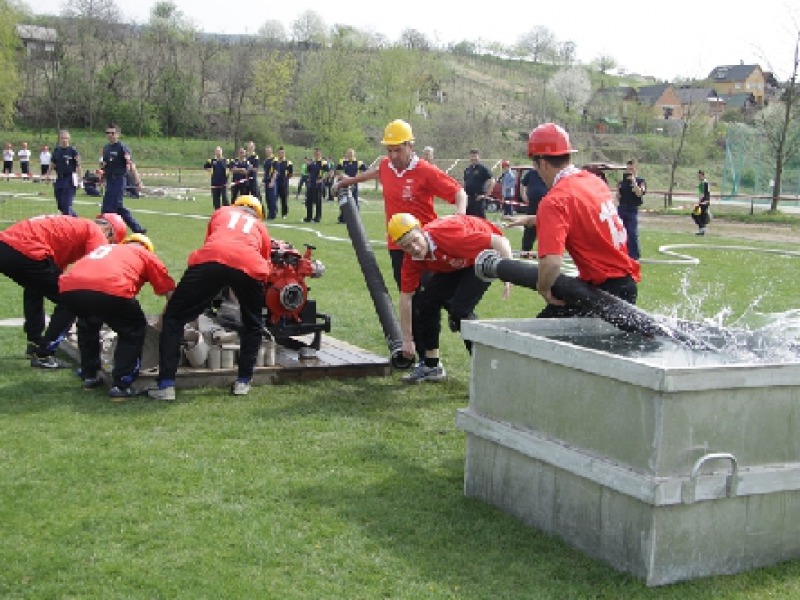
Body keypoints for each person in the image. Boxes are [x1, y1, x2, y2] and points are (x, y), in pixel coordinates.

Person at [148, 196, 272, 401]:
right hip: (250, 265)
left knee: (174, 317)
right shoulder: (260, 227)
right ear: (258, 213)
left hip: (212, 258)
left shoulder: (222, 211)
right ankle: (243, 381)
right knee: (253, 324)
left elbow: (213, 244)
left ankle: (166, 384)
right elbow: (265, 264)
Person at [334, 119, 467, 288]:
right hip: (397, 244)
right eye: (389, 151)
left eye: (398, 150)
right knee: (407, 292)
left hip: (422, 243)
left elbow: (459, 193)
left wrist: (460, 217)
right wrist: (349, 181)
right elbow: (376, 172)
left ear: (410, 145)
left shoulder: (426, 171)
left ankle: (461, 314)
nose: (393, 156)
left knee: (431, 296)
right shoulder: (386, 166)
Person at [526, 123, 640, 318]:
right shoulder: (593, 181)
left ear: (542, 163)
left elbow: (552, 263)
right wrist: (537, 220)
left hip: (603, 292)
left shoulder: (555, 200)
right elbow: (585, 217)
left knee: (535, 339)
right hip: (625, 285)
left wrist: (543, 288)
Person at [388, 213, 513, 383]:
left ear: (421, 230)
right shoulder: (412, 259)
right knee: (427, 301)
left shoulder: (447, 236)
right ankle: (432, 365)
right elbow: (406, 298)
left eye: (415, 240)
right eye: (407, 246)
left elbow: (499, 241)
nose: (414, 248)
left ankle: (487, 370)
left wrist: (508, 273)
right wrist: (407, 340)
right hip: (457, 261)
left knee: (460, 311)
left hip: (483, 254)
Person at [0, 213, 128, 367]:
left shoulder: (74, 228)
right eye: (110, 242)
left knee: (35, 289)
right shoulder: (93, 230)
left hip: (6, 246)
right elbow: (99, 266)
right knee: (72, 299)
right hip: (27, 251)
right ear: (108, 230)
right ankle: (45, 354)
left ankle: (34, 341)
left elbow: (57, 271)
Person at [58, 234, 175, 400]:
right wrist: (165, 322)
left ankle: (90, 375)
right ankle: (121, 384)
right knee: (133, 328)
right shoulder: (146, 254)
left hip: (70, 288)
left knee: (88, 323)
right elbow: (171, 293)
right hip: (111, 288)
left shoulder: (106, 249)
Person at [101, 123, 147, 234]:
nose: (110, 135)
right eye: (108, 133)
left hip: (119, 179)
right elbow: (104, 165)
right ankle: (136, 228)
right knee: (111, 207)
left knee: (113, 207)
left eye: (112, 133)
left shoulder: (122, 148)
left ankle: (109, 230)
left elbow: (131, 165)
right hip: (110, 180)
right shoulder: (106, 148)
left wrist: (138, 182)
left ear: (118, 134)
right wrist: (102, 174)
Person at [47, 130, 82, 217]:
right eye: (62, 138)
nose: (64, 140)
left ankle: (72, 224)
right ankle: (76, 220)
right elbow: (52, 163)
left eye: (66, 138)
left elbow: (78, 165)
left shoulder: (73, 151)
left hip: (69, 179)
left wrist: (80, 179)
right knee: (61, 206)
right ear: (59, 139)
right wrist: (48, 174)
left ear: (69, 139)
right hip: (59, 179)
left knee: (66, 205)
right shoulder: (57, 150)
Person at [616, 159, 646, 260]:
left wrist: (634, 181)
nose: (629, 171)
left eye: (631, 169)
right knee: (620, 232)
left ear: (635, 168)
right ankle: (622, 253)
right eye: (627, 169)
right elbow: (619, 197)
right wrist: (618, 190)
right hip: (622, 208)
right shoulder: (622, 182)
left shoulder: (640, 181)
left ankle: (634, 256)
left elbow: (640, 193)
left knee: (632, 233)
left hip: (632, 209)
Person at [334, 148, 367, 223]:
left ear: (354, 154)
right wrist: (340, 175)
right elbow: (336, 170)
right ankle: (342, 218)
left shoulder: (359, 162)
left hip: (354, 184)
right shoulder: (342, 162)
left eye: (351, 153)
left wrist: (359, 176)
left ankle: (355, 219)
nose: (349, 155)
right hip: (345, 184)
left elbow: (366, 170)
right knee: (344, 201)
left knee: (354, 201)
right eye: (348, 153)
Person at [463, 148, 494, 219]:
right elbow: (464, 183)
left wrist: (486, 195)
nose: (473, 158)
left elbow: (492, 181)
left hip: (478, 199)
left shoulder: (483, 168)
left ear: (478, 157)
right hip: (469, 199)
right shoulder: (467, 170)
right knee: (468, 219)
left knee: (481, 220)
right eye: (472, 156)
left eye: (475, 156)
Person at [303, 148, 328, 223]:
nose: (316, 155)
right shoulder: (312, 162)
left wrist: (322, 179)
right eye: (315, 154)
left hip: (318, 185)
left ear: (320, 154)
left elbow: (329, 172)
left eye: (317, 154)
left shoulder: (323, 162)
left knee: (317, 201)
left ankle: (317, 217)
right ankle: (309, 217)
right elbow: (308, 171)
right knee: (309, 201)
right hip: (311, 184)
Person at [204, 146, 230, 210]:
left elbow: (229, 170)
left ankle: (227, 211)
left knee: (225, 198)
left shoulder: (226, 161)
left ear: (222, 152)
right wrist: (209, 170)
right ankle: (217, 213)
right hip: (215, 184)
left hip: (223, 184)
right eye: (217, 151)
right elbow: (205, 167)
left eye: (219, 151)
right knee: (216, 200)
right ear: (215, 152)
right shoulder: (212, 161)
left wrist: (228, 181)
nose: (218, 152)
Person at [271, 146, 294, 219]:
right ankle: (274, 212)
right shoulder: (275, 162)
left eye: (283, 153)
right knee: (274, 198)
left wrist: (286, 178)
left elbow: (291, 173)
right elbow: (272, 171)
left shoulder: (288, 162)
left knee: (284, 199)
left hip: (284, 183)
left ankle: (284, 214)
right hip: (276, 182)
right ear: (277, 153)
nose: (281, 154)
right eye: (280, 153)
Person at [693, 170, 712, 235]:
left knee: (695, 214)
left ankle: (702, 228)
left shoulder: (703, 183)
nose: (698, 177)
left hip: (703, 202)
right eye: (698, 176)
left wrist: (699, 202)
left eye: (699, 176)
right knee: (702, 215)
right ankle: (702, 230)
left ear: (702, 175)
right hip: (706, 201)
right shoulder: (706, 182)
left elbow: (703, 194)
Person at [262, 145, 278, 220]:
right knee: (267, 198)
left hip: (271, 181)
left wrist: (272, 181)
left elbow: (275, 171)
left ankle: (273, 213)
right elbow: (265, 172)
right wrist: (263, 181)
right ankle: (270, 212)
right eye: (266, 151)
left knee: (272, 198)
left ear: (271, 151)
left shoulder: (274, 160)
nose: (267, 152)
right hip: (266, 181)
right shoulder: (265, 160)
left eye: (268, 150)